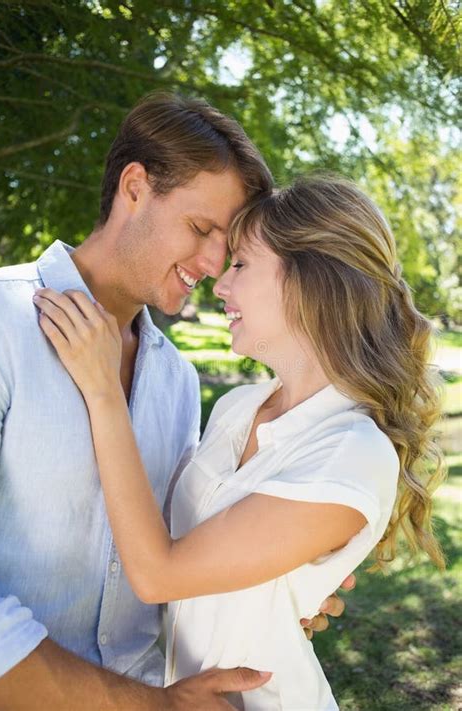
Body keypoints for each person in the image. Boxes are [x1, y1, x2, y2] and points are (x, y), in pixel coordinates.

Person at [0, 94, 352, 711]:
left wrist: (273, 578)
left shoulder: (178, 382)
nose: (214, 264)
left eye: (228, 243)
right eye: (201, 228)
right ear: (135, 188)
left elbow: (181, 553)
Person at [33, 175, 445, 709]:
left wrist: (102, 388)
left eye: (241, 265)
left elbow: (161, 573)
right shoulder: (237, 408)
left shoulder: (354, 453)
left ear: (310, 283)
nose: (220, 285)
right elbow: (170, 536)